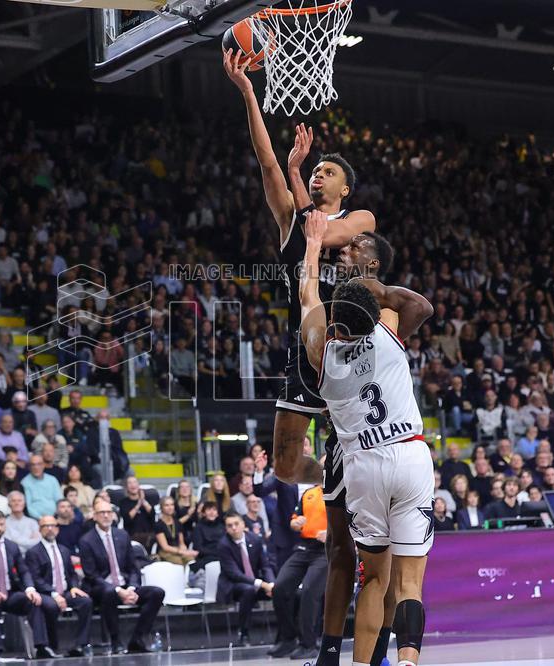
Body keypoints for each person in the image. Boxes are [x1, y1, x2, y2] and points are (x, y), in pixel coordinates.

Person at [223, 53, 375, 487]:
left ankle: (364, 485)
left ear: (344, 187)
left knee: (365, 446)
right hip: (303, 352)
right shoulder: (291, 216)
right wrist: (249, 92)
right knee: (286, 468)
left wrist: (296, 175)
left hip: (351, 352)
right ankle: (333, 476)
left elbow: (326, 235)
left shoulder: (360, 219)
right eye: (315, 171)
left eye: (327, 172)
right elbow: (266, 161)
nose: (317, 176)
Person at [299, 211, 434, 666]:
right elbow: (421, 305)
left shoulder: (321, 354)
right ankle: (408, 661)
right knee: (409, 582)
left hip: (362, 464)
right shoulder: (389, 329)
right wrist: (377, 291)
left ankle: (358, 663)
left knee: (373, 578)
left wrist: (314, 246)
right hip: (410, 453)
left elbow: (306, 297)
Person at [78, 498, 165, 654]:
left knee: (157, 592)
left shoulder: (122, 535)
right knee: (109, 592)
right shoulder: (86, 541)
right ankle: (115, 641)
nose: (105, 516)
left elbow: (133, 567)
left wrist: (131, 588)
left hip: (126, 585)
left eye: (108, 512)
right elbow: (91, 575)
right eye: (101, 513)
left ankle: (137, 639)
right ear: (95, 516)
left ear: (113, 515)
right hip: (101, 588)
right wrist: (118, 590)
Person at [0, 510, 55, 661]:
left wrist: (30, 588)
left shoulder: (12, 546)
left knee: (33, 601)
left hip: (10, 592)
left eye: (1, 524)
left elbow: (23, 571)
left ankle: (41, 646)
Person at [267, 479, 329, 660]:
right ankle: (288, 639)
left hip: (326, 550)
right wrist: (296, 523)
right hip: (304, 547)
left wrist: (331, 533)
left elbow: (354, 522)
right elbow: (294, 520)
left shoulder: (346, 493)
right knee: (279, 588)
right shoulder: (309, 493)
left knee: (309, 591)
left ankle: (309, 644)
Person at [25, 515, 94, 657]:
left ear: (57, 529)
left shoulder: (64, 550)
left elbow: (72, 574)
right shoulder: (33, 552)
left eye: (53, 526)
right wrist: (54, 593)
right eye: (46, 526)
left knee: (85, 601)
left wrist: (74, 586)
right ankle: (50, 645)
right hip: (46, 592)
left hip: (66, 591)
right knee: (50, 605)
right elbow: (36, 579)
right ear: (40, 530)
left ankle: (81, 644)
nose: (50, 529)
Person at [217, 512, 274, 646]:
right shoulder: (223, 545)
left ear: (243, 524)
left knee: (281, 590)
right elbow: (234, 574)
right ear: (226, 528)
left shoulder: (255, 539)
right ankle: (244, 633)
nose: (234, 528)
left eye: (236, 524)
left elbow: (265, 565)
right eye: (230, 526)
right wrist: (262, 584)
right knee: (248, 590)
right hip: (233, 585)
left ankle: (286, 634)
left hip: (255, 581)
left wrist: (271, 584)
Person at [154, 497, 197, 565]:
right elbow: (165, 547)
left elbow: (181, 542)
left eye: (172, 505)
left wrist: (185, 550)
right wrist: (181, 552)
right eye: (167, 505)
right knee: (178, 561)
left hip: (178, 549)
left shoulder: (177, 522)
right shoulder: (158, 525)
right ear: (162, 508)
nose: (170, 507)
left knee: (191, 560)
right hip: (165, 552)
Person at [118, 476, 155, 549]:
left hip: (149, 535)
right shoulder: (123, 502)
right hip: (133, 534)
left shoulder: (148, 499)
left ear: (138, 485)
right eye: (130, 483)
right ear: (126, 487)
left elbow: (152, 514)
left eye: (135, 482)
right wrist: (138, 504)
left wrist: (143, 500)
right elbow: (128, 518)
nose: (133, 485)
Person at [21, 455, 62, 519]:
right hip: (35, 519)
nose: (36, 467)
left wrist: (56, 515)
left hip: (55, 517)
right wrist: (41, 518)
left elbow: (59, 500)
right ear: (29, 467)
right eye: (33, 465)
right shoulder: (25, 483)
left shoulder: (52, 479)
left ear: (43, 465)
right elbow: (28, 507)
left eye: (39, 464)